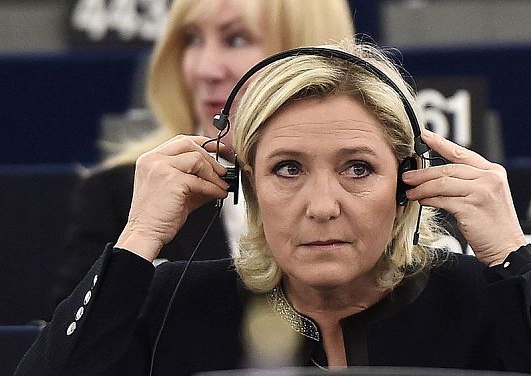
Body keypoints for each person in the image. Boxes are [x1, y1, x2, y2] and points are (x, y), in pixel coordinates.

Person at [0, 41, 531, 376]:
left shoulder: (479, 300)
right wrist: (137, 243)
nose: (323, 205)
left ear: (407, 185)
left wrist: (513, 259)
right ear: (245, 186)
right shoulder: (171, 305)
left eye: (358, 169)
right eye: (288, 169)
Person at [48, 0, 355, 311]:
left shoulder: (376, 187)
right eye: (193, 39)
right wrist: (139, 239)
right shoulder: (122, 193)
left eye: (236, 40)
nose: (205, 70)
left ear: (308, 57)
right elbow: (68, 338)